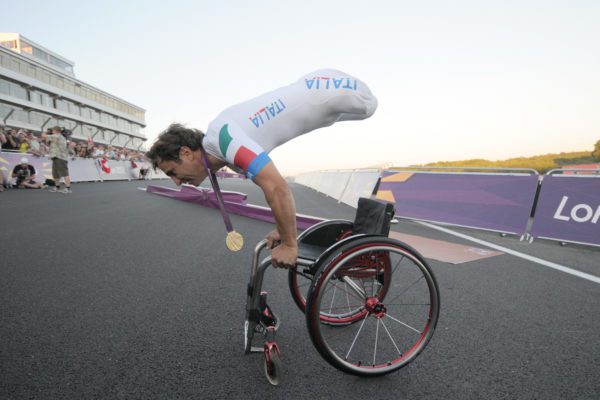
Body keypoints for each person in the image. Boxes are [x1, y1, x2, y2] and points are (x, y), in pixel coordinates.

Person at [146, 69, 377, 268]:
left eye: (172, 172)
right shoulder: (221, 147)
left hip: (327, 90)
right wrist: (283, 229)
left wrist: (289, 243)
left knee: (370, 108)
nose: (176, 182)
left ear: (185, 152)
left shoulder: (224, 140)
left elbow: (277, 187)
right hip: (319, 95)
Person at [42, 126, 72, 194]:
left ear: (56, 131)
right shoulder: (56, 137)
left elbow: (44, 136)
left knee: (65, 173)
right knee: (55, 174)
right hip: (55, 157)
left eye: (52, 130)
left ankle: (68, 188)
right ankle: (57, 187)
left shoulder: (58, 136)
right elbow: (47, 142)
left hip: (60, 157)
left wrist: (46, 132)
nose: (51, 131)